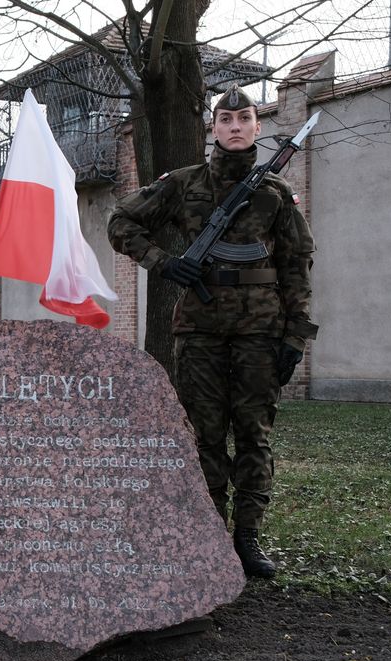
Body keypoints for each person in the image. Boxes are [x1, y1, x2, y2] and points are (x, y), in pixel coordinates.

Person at [107, 85, 318, 579]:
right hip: (199, 332)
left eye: (245, 118)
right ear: (214, 128)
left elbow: (297, 268)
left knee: (253, 436)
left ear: (257, 126)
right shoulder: (182, 184)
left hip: (260, 334)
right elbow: (121, 222)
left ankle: (246, 538)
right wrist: (163, 262)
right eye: (226, 119)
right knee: (203, 436)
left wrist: (295, 336)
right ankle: (207, 535)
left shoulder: (277, 194)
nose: (236, 126)